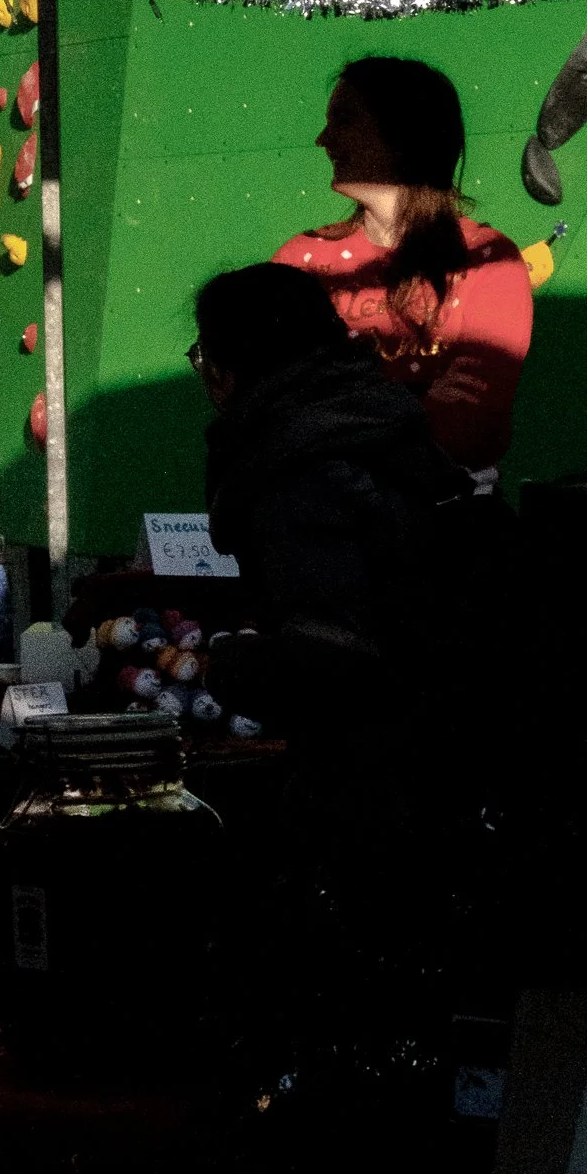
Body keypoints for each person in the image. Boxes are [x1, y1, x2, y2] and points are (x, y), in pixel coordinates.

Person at [190, 260, 473, 746]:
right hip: (452, 743)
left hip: (376, 772)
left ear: (228, 370)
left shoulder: (297, 467)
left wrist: (227, 667)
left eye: (203, 356)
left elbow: (333, 661)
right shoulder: (376, 418)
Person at [273, 54, 531, 473]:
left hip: (446, 516)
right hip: (322, 510)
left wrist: (339, 417)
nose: (324, 139)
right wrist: (415, 404)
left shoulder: (488, 259)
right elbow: (273, 407)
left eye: (344, 121)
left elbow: (472, 420)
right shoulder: (301, 258)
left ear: (404, 132)